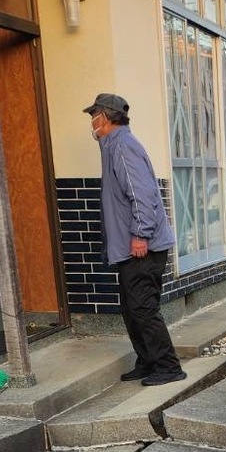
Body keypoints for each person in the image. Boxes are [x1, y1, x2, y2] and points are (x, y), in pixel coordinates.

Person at [83, 92, 186, 386]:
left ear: (105, 116)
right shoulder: (114, 145)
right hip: (133, 248)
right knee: (132, 309)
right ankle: (148, 362)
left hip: (143, 247)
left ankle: (168, 367)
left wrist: (140, 235)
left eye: (94, 116)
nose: (91, 122)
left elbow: (142, 194)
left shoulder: (124, 146)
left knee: (143, 308)